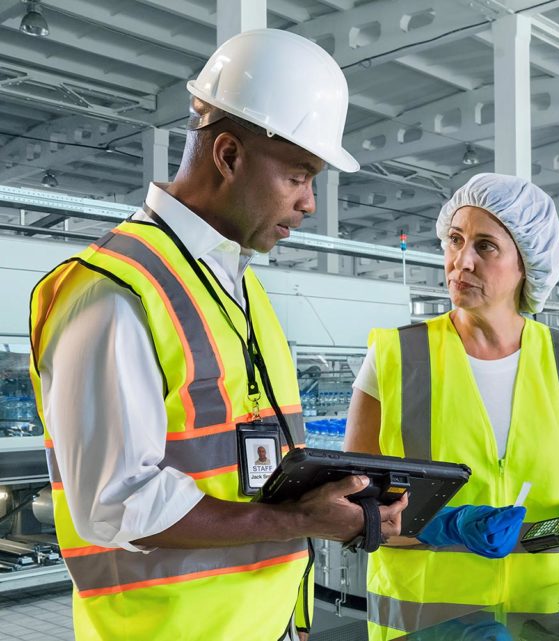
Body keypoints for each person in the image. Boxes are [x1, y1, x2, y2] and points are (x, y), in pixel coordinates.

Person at [28, 29, 405, 641]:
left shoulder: (240, 288)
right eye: (298, 176)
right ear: (228, 155)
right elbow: (114, 504)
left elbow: (249, 464)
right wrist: (298, 521)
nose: (309, 203)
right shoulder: (111, 293)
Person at [345, 173, 559, 639]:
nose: (461, 261)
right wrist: (444, 526)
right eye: (455, 240)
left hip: (545, 619)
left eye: (486, 246)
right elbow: (351, 507)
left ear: (525, 264)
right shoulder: (394, 356)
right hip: (425, 625)